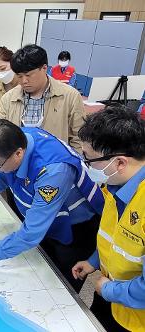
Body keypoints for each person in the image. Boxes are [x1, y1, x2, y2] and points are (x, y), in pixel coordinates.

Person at [0, 119, 104, 292]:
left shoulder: (53, 172)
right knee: (39, 266)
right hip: (46, 220)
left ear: (18, 153)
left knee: (57, 287)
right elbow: (4, 173)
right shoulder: (17, 139)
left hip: (74, 230)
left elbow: (32, 233)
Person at [71, 105, 145, 332]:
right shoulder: (114, 187)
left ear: (120, 162)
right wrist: (94, 262)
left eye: (90, 161)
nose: (88, 168)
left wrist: (108, 290)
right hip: (112, 300)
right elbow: (115, 238)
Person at [0, 45, 85, 154]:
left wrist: (71, 165)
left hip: (56, 164)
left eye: (28, 75)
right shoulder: (8, 99)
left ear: (44, 68)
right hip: (19, 164)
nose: (24, 81)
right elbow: (2, 136)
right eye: (19, 76)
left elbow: (79, 138)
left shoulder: (70, 96)